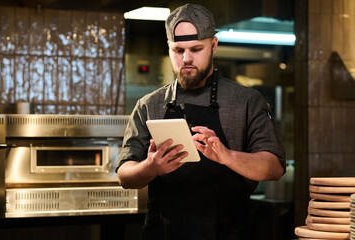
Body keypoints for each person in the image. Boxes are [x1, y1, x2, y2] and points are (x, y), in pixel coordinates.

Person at [116, 3, 286, 240]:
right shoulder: (149, 105)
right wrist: (151, 167)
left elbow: (275, 168)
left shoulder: (246, 101)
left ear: (213, 45)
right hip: (163, 233)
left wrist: (227, 156)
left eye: (196, 49)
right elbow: (124, 175)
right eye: (178, 50)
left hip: (228, 233)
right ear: (169, 48)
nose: (186, 58)